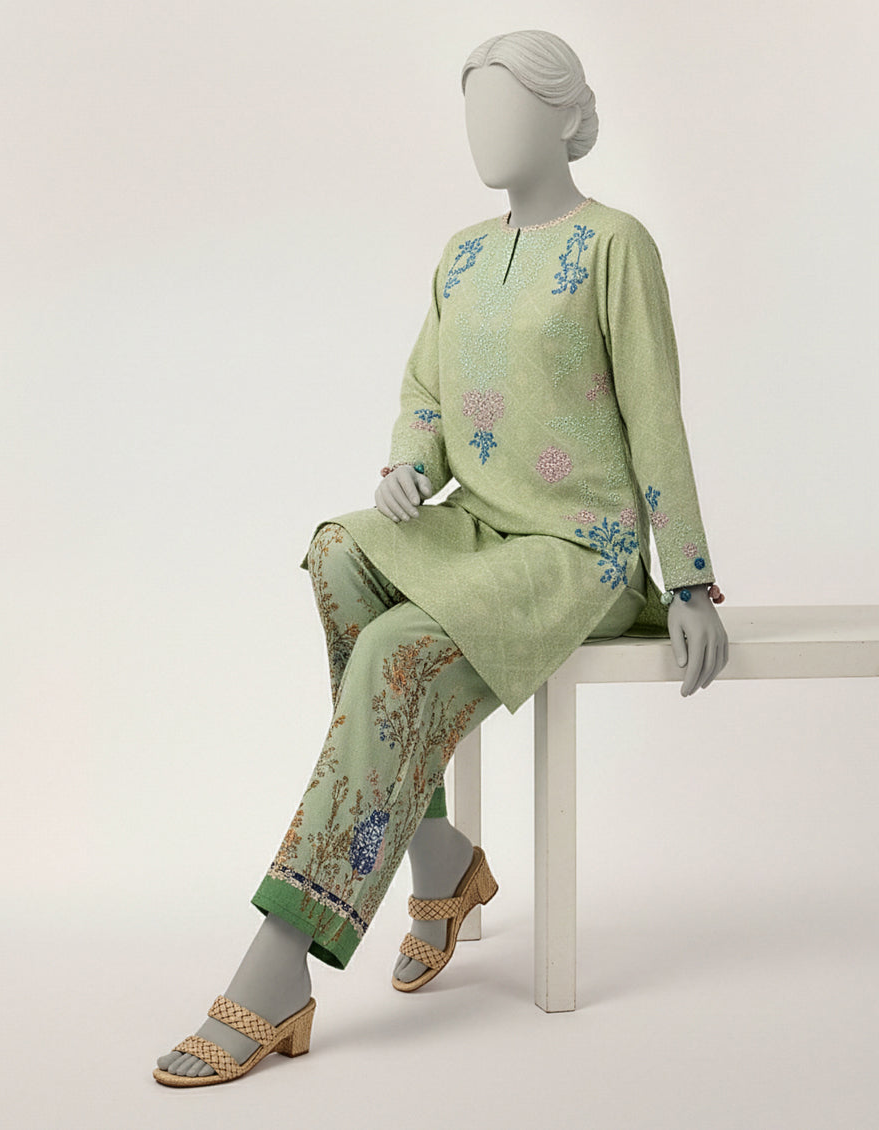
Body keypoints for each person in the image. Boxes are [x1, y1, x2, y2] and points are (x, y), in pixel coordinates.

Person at [154, 28, 729, 1087]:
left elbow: (657, 412)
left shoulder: (616, 245)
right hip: (475, 524)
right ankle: (437, 856)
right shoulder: (461, 254)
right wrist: (410, 468)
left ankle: (280, 963)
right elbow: (424, 388)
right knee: (339, 553)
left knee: (393, 654)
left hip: (579, 549)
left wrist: (688, 578)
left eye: (504, 106)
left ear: (565, 117)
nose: (482, 129)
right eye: (472, 107)